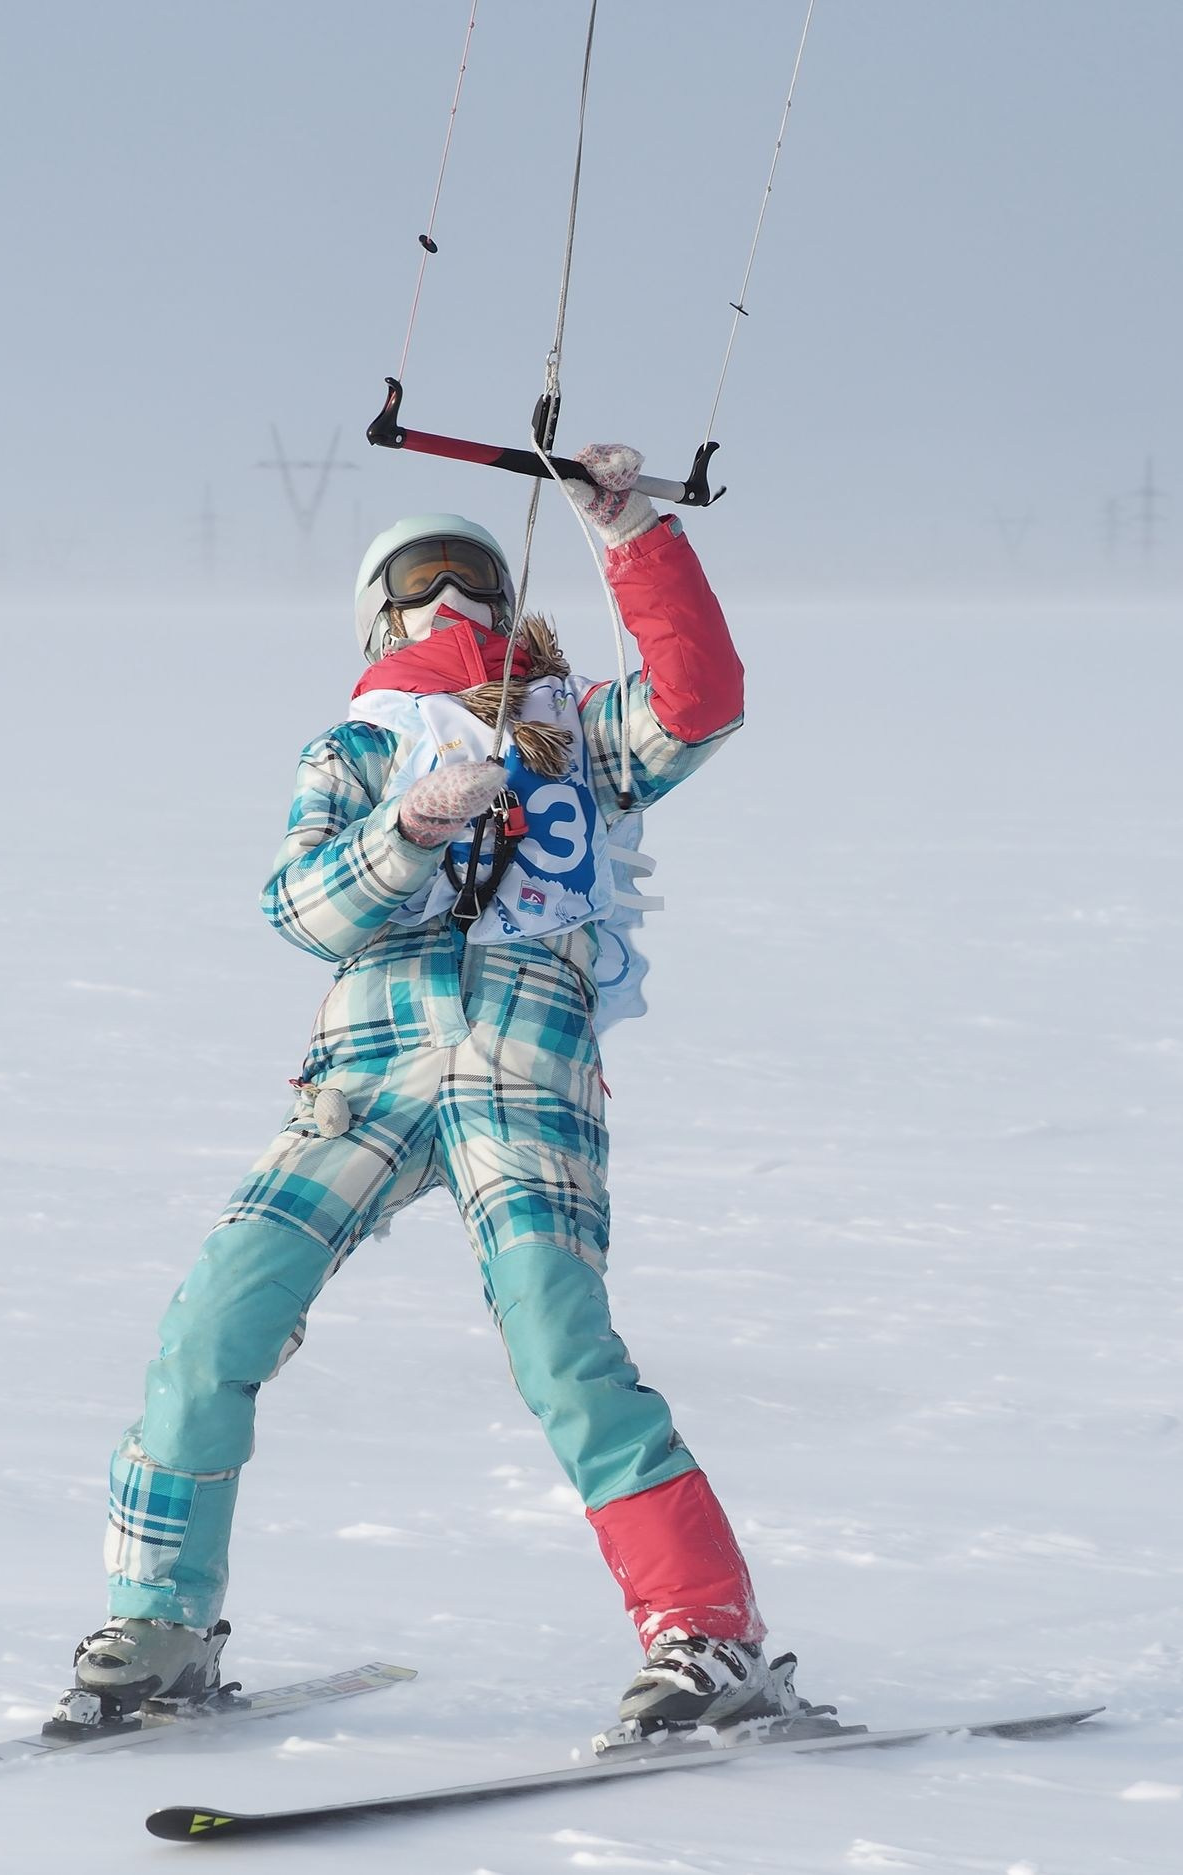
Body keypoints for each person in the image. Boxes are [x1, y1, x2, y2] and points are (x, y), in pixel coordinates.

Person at [54, 446, 809, 1742]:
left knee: (562, 1348)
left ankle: (705, 1637)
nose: (451, 597)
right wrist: (409, 827)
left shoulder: (570, 728)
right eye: (419, 577)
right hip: (366, 1074)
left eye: (475, 574)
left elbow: (700, 703)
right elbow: (299, 908)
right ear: (376, 615)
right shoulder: (352, 747)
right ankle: (160, 1625)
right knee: (211, 1327)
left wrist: (633, 538)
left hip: (524, 1068)